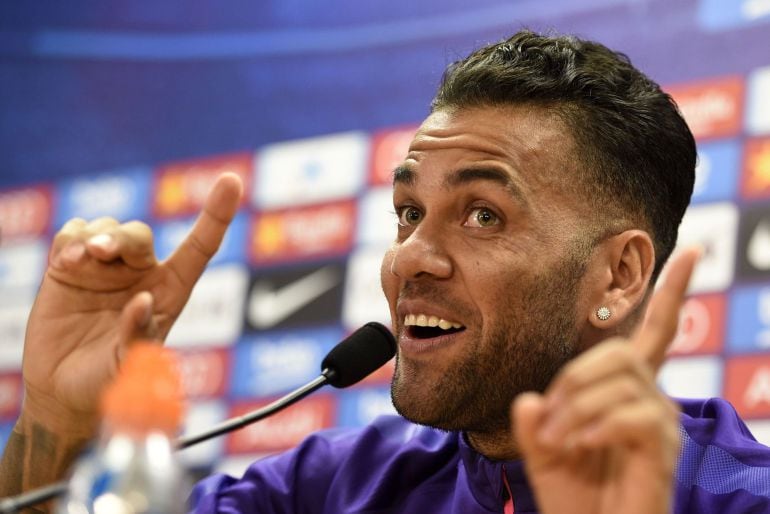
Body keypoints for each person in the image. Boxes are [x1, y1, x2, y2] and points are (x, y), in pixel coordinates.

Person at [2, 29, 769, 513]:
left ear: (619, 277)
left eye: (482, 215)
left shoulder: (740, 496)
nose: (410, 258)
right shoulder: (323, 490)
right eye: (408, 213)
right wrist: (59, 422)